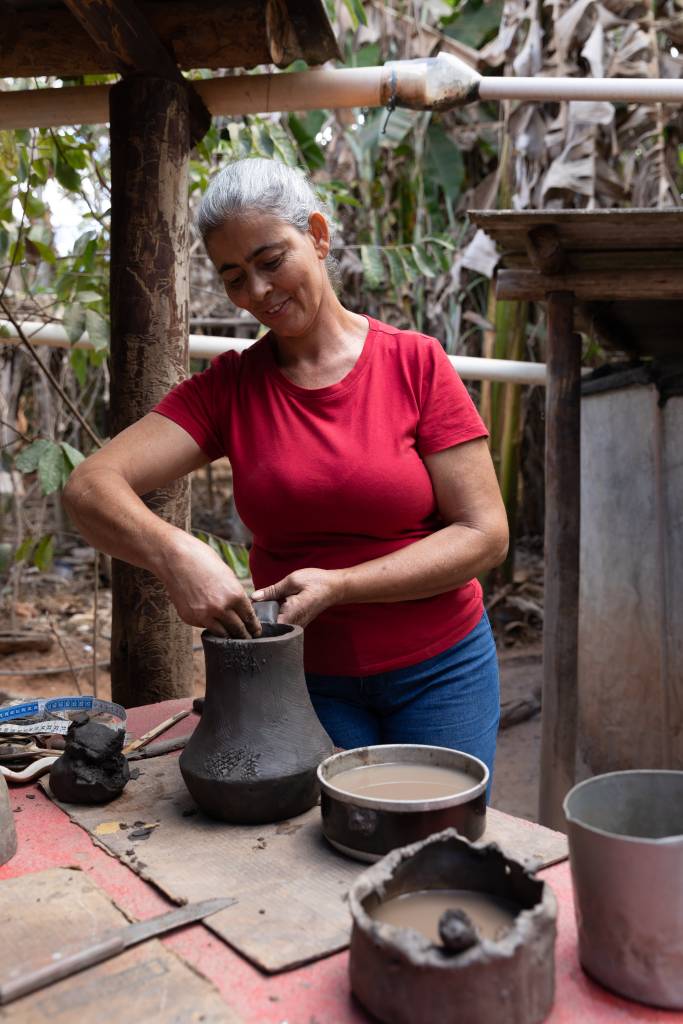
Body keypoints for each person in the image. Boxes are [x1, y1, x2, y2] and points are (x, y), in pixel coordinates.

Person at [64, 157, 508, 781]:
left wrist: (343, 584)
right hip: (301, 684)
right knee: (324, 852)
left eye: (272, 261)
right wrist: (175, 553)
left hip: (442, 671)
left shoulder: (416, 364)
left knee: (439, 849)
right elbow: (89, 486)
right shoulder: (229, 389)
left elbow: (484, 534)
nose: (259, 292)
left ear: (318, 237)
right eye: (235, 277)